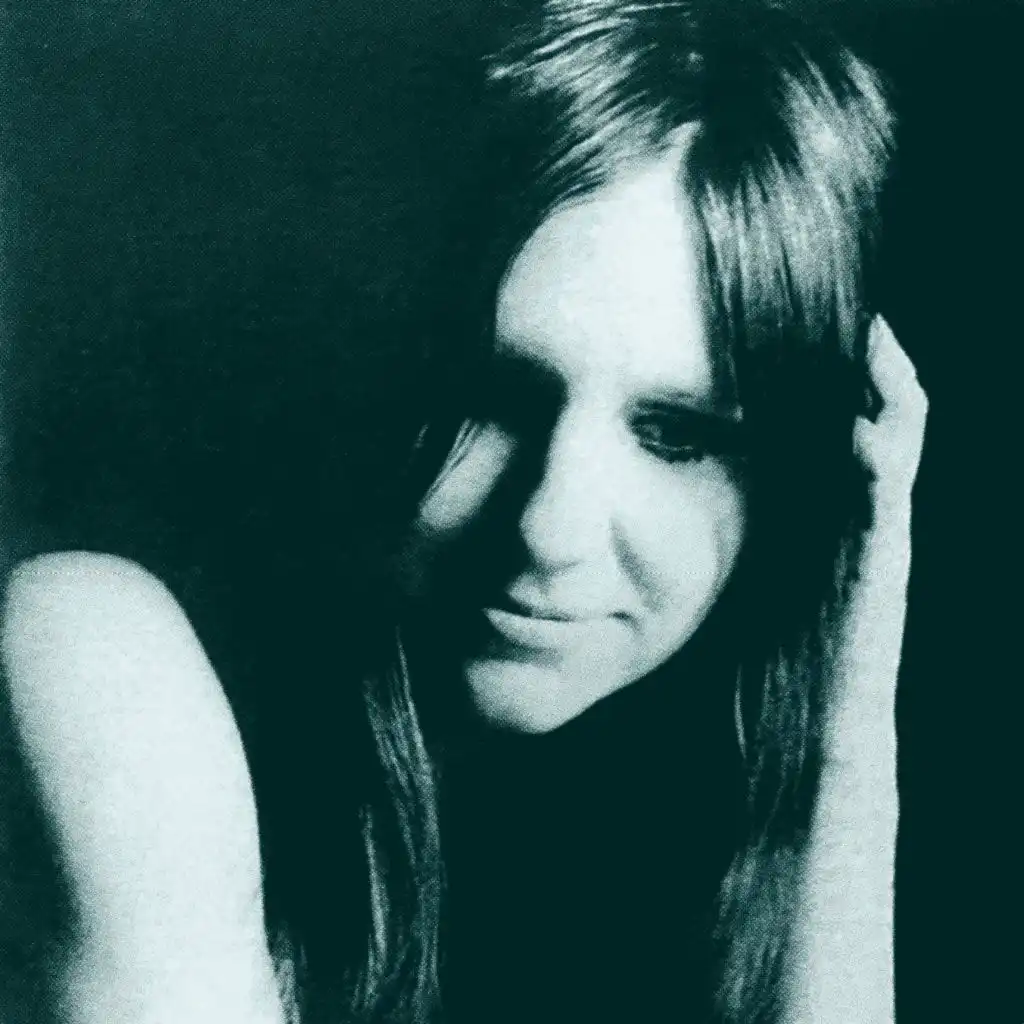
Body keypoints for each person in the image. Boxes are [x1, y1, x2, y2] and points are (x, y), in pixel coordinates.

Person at [0, 2, 926, 1023]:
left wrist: (851, 679)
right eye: (492, 396)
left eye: (675, 434)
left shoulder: (612, 840)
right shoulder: (101, 654)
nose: (549, 530)